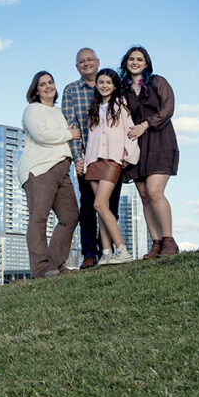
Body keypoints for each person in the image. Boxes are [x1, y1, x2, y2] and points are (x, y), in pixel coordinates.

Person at [62, 48, 123, 269]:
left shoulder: (111, 85)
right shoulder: (71, 91)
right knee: (88, 207)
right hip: (86, 161)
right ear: (77, 67)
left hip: (110, 159)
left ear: (98, 62)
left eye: (90, 60)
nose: (86, 64)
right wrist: (78, 159)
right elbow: (72, 127)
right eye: (81, 62)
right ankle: (90, 254)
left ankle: (109, 251)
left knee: (110, 206)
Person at [18, 71, 81, 279]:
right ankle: (40, 269)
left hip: (62, 169)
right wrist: (68, 134)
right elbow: (41, 135)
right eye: (42, 84)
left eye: (50, 82)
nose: (47, 86)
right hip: (40, 168)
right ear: (36, 90)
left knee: (70, 216)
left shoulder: (60, 112)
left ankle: (53, 265)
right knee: (39, 218)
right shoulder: (33, 109)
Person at [120, 45, 180, 258]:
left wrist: (145, 125)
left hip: (160, 140)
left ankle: (169, 241)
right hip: (137, 146)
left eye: (139, 59)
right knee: (144, 196)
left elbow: (168, 109)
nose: (135, 62)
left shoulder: (157, 82)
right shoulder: (123, 90)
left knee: (155, 192)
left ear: (146, 63)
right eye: (131, 59)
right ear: (126, 63)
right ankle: (155, 243)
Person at [76, 69, 138, 264]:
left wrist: (128, 155)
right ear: (97, 85)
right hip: (93, 161)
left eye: (108, 82)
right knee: (100, 209)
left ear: (114, 85)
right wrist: (85, 162)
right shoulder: (93, 109)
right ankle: (106, 252)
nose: (104, 85)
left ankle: (122, 250)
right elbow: (91, 139)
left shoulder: (120, 105)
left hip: (112, 159)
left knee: (100, 204)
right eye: (101, 82)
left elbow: (130, 131)